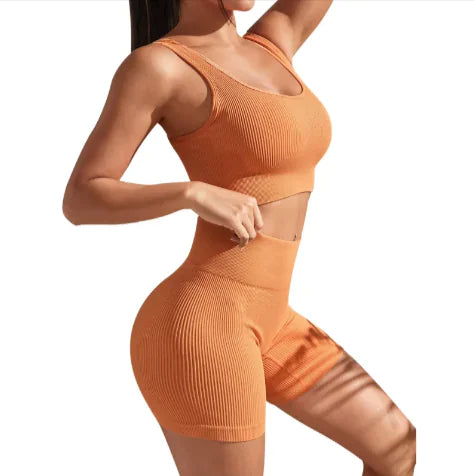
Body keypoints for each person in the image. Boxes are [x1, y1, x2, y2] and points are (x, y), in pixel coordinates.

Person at [62, 1, 416, 474]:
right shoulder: (159, 67)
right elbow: (81, 197)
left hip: (274, 320)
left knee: (395, 446)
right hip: (203, 327)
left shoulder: (273, 40)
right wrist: (190, 193)